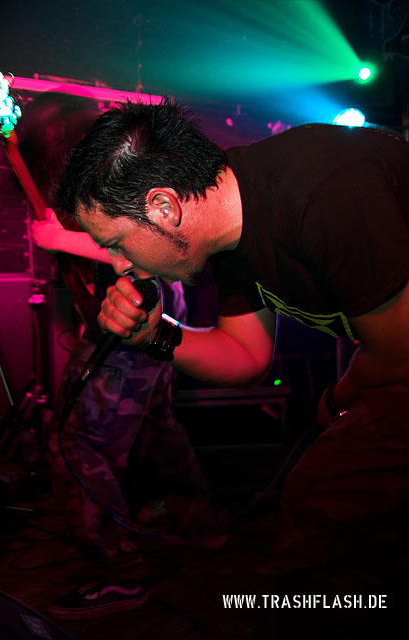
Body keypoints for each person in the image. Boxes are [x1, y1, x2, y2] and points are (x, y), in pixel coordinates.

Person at [56, 99, 409, 632]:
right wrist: (153, 334)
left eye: (117, 244)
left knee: (326, 499)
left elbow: (401, 352)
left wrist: (339, 397)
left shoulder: (320, 192)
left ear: (164, 207)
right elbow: (247, 356)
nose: (120, 265)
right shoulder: (230, 232)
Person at [17, 94, 226, 621]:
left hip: (137, 321)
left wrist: (59, 238)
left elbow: (136, 244)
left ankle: (120, 572)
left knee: (75, 443)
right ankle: (200, 523)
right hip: (148, 321)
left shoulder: (119, 177)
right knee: (159, 428)